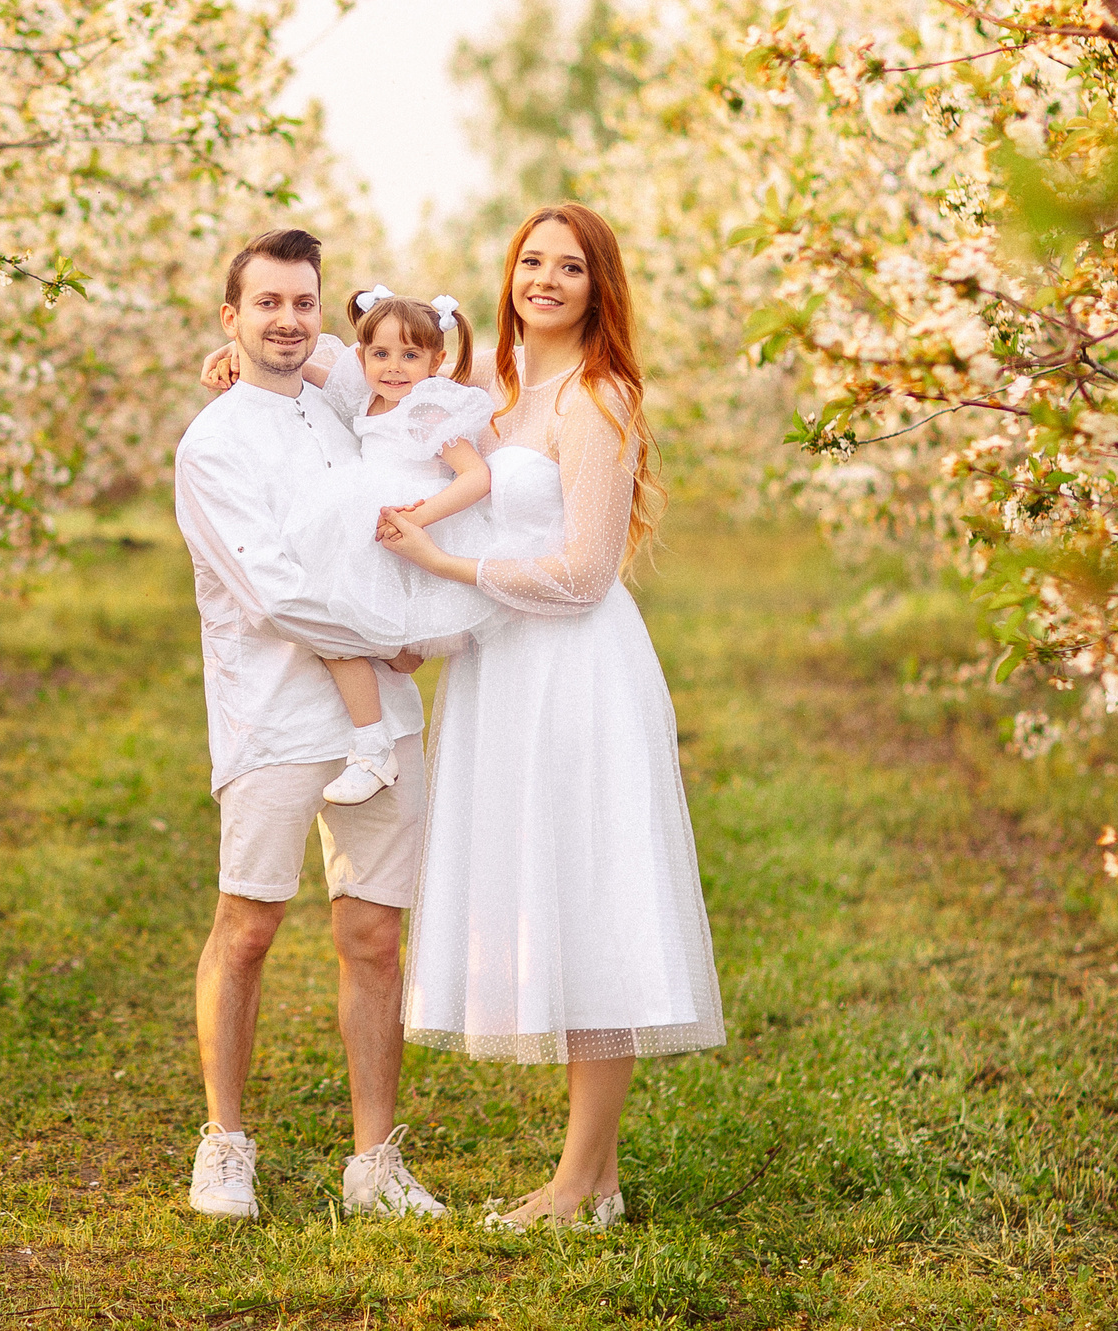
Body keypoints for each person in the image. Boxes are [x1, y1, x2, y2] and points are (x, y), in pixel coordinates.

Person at [381, 202, 727, 1230]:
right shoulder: (494, 387)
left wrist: (444, 566)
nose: (545, 279)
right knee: (555, 900)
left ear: (596, 286)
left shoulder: (598, 398)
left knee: (594, 902)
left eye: (569, 267)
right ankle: (593, 1180)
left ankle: (578, 1184)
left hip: (576, 673)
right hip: (502, 670)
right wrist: (258, 366)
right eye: (531, 260)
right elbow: (377, 377)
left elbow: (582, 574)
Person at [170, 229, 448, 1224]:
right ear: (231, 317)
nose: (286, 320)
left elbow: (404, 367)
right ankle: (224, 1143)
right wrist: (400, 636)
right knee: (248, 925)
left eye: (302, 302)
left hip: (381, 717)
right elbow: (276, 594)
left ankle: (374, 1160)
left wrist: (409, 629)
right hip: (273, 712)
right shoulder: (213, 445)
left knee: (374, 935)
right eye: (266, 303)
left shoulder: (346, 405)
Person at [283, 285, 499, 807]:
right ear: (362, 357)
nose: (394, 367)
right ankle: (372, 744)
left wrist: (420, 517)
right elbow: (305, 369)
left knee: (370, 645)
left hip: (405, 532)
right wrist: (233, 354)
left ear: (436, 361)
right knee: (336, 631)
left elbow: (476, 476)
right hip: (365, 529)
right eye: (380, 353)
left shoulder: (426, 409)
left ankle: (374, 745)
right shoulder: (365, 396)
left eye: (410, 355)